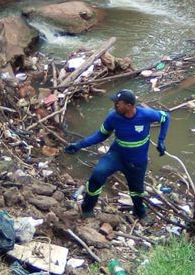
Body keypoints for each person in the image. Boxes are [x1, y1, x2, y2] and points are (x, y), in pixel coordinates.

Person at [64, 89, 169, 221]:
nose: (115, 106)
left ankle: (140, 212)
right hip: (116, 156)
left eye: (118, 104)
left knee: (136, 189)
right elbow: (101, 135)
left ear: (129, 106)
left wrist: (161, 141)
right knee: (97, 175)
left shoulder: (146, 115)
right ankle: (87, 208)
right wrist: (79, 144)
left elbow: (166, 117)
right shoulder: (113, 117)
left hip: (137, 161)